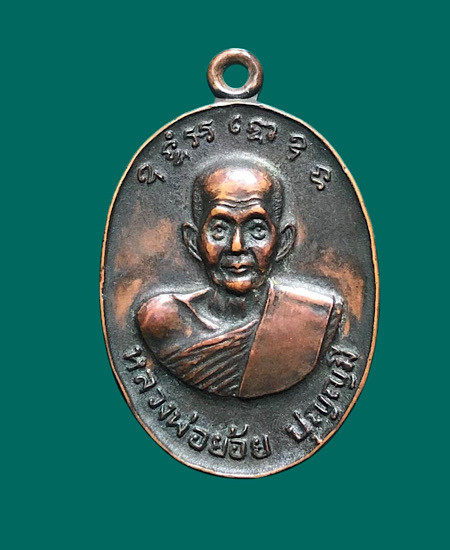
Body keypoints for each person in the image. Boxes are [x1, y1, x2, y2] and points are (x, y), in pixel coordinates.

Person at [138, 155, 342, 398]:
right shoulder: (162, 321)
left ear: (283, 242)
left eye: (256, 230)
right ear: (193, 242)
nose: (237, 246)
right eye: (219, 229)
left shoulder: (315, 318)